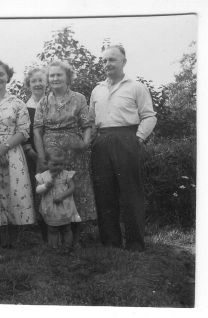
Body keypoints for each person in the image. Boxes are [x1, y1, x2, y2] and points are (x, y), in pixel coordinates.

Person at [89, 45, 157, 252]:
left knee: (131, 192)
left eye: (112, 60)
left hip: (127, 138)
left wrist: (138, 138)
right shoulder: (97, 89)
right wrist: (91, 139)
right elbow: (91, 120)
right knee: (104, 192)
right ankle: (111, 242)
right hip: (101, 141)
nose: (107, 64)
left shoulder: (136, 87)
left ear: (123, 62)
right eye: (104, 61)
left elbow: (149, 116)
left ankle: (135, 243)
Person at [33, 60, 96, 248]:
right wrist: (41, 155)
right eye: (51, 75)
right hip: (50, 154)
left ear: (68, 77)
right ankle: (51, 239)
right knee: (49, 189)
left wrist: (85, 143)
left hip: (74, 152)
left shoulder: (79, 98)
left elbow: (87, 125)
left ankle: (74, 239)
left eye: (58, 75)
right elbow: (37, 130)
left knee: (74, 189)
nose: (54, 78)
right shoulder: (43, 101)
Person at [0, 59, 35, 247]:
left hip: (12, 151)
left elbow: (23, 130)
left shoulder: (17, 102)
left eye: (1, 74)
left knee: (14, 190)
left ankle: (15, 240)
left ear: (8, 77)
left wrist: (3, 148)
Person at [35, 148, 80, 249]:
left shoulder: (66, 174)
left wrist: (62, 196)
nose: (58, 167)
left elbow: (72, 187)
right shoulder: (43, 176)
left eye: (61, 164)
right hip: (50, 207)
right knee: (52, 228)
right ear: (47, 163)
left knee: (67, 228)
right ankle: (53, 247)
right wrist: (46, 186)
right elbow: (38, 190)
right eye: (55, 164)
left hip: (64, 206)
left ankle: (67, 246)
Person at [23, 67, 48, 242]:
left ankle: (60, 225)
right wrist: (30, 151)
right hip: (32, 155)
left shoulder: (53, 102)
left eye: (41, 80)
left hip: (55, 154)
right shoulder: (24, 107)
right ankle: (44, 231)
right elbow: (23, 131)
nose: (38, 84)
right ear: (28, 85)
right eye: (34, 81)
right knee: (39, 189)